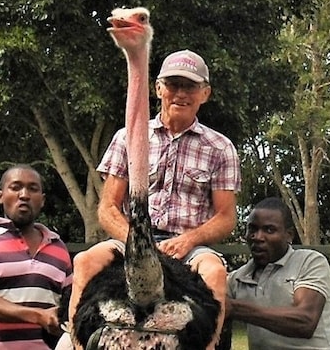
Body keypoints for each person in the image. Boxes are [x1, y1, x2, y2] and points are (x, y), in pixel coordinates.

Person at [68, 49, 241, 349]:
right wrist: (138, 243)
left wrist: (188, 240)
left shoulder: (220, 148)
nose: (180, 94)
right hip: (131, 241)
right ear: (158, 88)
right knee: (84, 262)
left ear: (205, 93)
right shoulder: (128, 137)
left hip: (187, 246)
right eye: (173, 85)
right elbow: (108, 208)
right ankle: (77, 343)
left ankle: (208, 346)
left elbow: (226, 217)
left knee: (215, 272)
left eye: (189, 87)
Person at [0, 164, 73, 350]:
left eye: (33, 189)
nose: (24, 195)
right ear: (0, 196)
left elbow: (70, 306)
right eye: (15, 187)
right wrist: (39, 316)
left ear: (42, 200)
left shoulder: (58, 248)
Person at [225, 197, 330, 350]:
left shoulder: (309, 262)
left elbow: (305, 321)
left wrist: (234, 308)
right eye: (252, 229)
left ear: (289, 235)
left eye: (269, 230)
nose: (258, 237)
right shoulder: (237, 279)